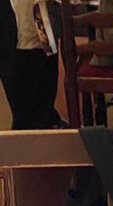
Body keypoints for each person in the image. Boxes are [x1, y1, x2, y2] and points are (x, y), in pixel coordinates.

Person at [0, 0, 66, 130]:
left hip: (40, 15)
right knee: (15, 69)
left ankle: (45, 117)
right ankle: (30, 123)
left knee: (46, 61)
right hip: (14, 20)